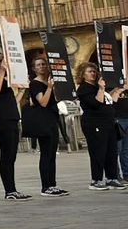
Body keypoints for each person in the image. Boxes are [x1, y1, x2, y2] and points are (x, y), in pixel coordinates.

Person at [23, 50, 67, 197]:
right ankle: (45, 186)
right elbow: (42, 102)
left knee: (52, 154)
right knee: (46, 154)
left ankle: (52, 184)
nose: (42, 67)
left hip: (52, 119)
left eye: (43, 64)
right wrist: (49, 88)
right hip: (43, 122)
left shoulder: (49, 81)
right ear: (34, 69)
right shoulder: (35, 84)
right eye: (38, 65)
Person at [77, 60, 119, 190]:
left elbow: (109, 100)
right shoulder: (84, 88)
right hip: (94, 123)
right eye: (90, 71)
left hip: (108, 123)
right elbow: (96, 103)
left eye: (94, 72)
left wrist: (117, 90)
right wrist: (101, 88)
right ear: (83, 74)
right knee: (98, 151)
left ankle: (111, 177)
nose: (93, 74)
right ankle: (96, 179)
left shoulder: (97, 87)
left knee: (111, 151)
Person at [0, 56, 29, 200]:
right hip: (2, 120)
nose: (3, 62)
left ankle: (12, 189)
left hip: (12, 118)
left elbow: (12, 101)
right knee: (7, 155)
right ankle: (9, 190)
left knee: (12, 155)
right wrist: (2, 71)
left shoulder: (7, 80)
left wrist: (22, 90)